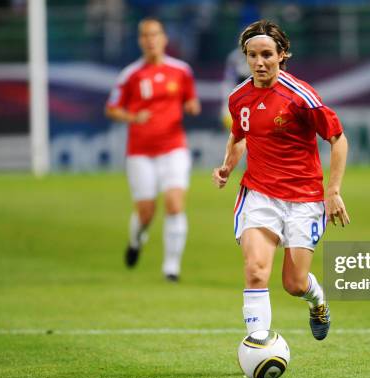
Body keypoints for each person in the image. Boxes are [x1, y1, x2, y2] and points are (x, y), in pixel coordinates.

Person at [212, 20, 350, 340]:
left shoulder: (300, 96)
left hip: (304, 198)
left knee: (294, 284)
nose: (259, 62)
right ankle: (259, 345)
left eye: (266, 55)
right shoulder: (238, 98)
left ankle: (318, 302)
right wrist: (227, 166)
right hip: (258, 194)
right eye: (252, 55)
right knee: (256, 271)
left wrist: (333, 191)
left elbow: (338, 139)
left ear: (282, 54)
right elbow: (239, 136)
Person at [105, 17, 201, 281]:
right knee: (146, 212)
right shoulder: (130, 75)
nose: (150, 40)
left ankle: (171, 268)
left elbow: (191, 99)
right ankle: (136, 240)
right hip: (140, 152)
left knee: (174, 204)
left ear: (164, 39)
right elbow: (112, 108)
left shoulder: (181, 70)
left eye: (155, 34)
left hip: (173, 148)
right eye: (145, 35)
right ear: (140, 41)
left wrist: (192, 106)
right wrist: (132, 118)